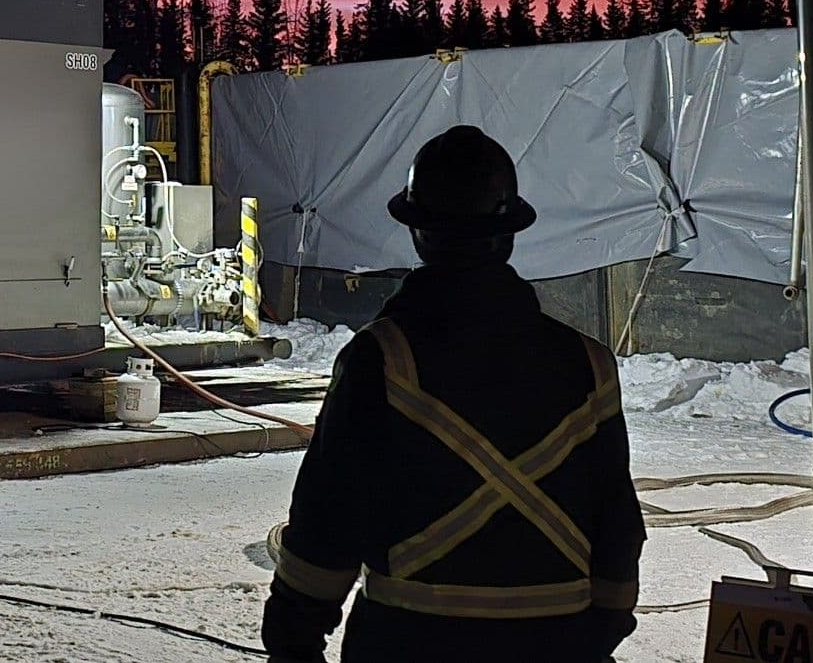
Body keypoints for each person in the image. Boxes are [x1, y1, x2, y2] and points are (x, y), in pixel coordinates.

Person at [262, 124, 645, 662]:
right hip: (559, 641)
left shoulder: (384, 358)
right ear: (509, 232)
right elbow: (617, 519)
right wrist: (600, 626)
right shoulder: (586, 361)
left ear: (419, 232)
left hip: (411, 641)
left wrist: (292, 637)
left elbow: (330, 513)